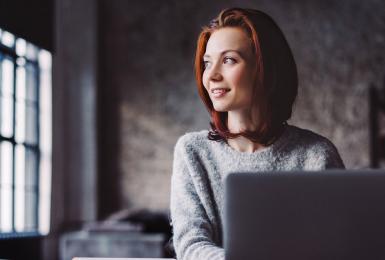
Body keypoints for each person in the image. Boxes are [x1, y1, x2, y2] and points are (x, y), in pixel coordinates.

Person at [170, 7, 345, 260]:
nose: (212, 75)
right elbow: (190, 245)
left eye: (229, 60)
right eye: (207, 63)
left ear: (265, 69)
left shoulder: (316, 155)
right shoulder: (192, 151)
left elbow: (336, 246)